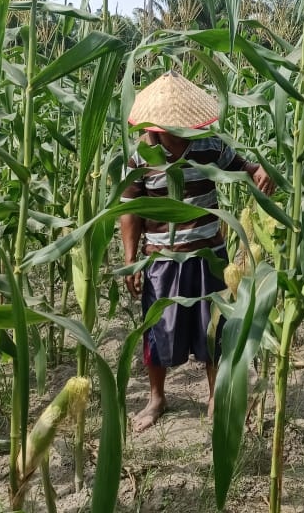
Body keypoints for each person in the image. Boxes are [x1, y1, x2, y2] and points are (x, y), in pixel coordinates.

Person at [119, 70, 275, 433]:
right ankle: (157, 398)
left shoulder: (209, 146)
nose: (161, 131)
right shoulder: (140, 154)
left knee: (214, 331)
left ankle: (214, 395)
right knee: (156, 331)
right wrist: (131, 259)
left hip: (208, 256)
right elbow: (130, 209)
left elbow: (246, 170)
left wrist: (261, 171)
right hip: (161, 258)